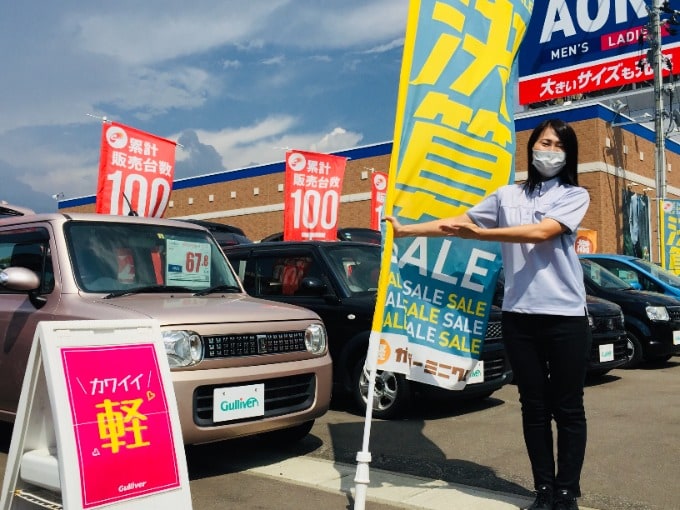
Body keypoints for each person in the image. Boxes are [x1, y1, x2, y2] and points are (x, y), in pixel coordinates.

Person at [385, 118, 591, 510]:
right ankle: (543, 492)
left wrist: (484, 236)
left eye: (557, 145)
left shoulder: (574, 195)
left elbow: (541, 233)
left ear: (568, 154)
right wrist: (409, 230)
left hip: (566, 316)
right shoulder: (505, 196)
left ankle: (567, 494)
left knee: (568, 407)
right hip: (520, 316)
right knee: (533, 406)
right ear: (530, 148)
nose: (548, 150)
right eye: (543, 142)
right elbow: (460, 222)